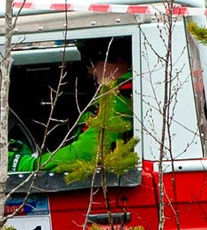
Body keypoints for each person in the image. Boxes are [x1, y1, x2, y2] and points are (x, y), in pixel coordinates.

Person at [13, 42, 134, 178]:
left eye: (91, 60)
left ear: (118, 58)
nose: (89, 69)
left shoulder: (120, 98)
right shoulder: (113, 97)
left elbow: (89, 151)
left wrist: (33, 165)